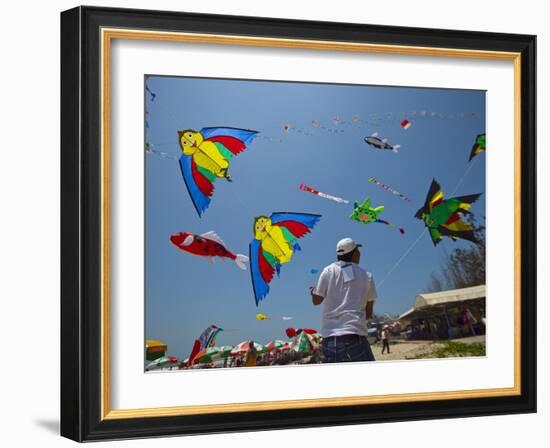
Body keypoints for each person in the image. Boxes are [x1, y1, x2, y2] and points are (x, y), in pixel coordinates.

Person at [310, 237, 377, 363]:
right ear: (354, 253)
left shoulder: (328, 270)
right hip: (355, 338)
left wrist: (313, 291)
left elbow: (316, 300)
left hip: (329, 341)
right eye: (358, 250)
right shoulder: (367, 276)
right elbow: (368, 313)